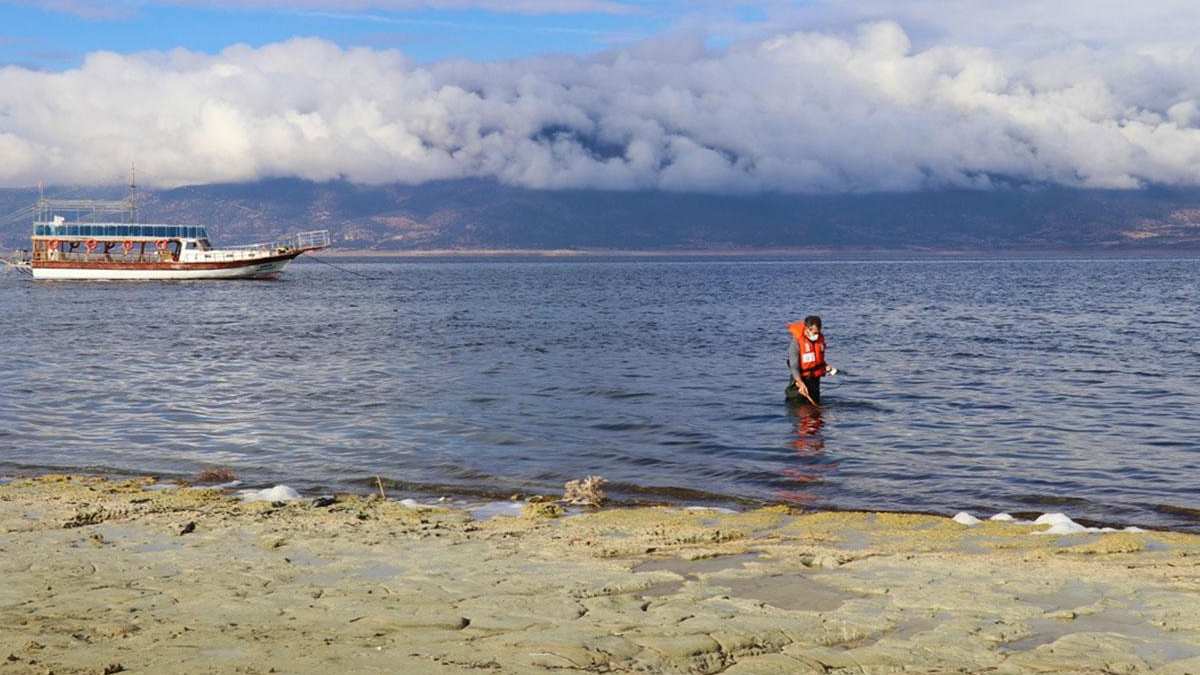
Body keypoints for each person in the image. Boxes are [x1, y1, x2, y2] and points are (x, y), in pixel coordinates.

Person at [786, 315, 837, 405]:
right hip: (800, 381)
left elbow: (818, 359)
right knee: (799, 409)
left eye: (818, 332)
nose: (816, 335)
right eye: (814, 333)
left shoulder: (820, 339)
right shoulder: (797, 342)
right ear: (807, 329)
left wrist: (826, 366)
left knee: (815, 410)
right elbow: (794, 366)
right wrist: (800, 382)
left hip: (814, 380)